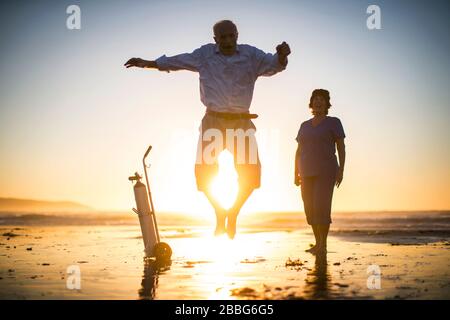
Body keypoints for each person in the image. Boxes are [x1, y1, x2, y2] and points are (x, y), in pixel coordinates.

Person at [125, 20, 291, 239]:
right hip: (213, 121)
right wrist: (146, 63)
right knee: (204, 176)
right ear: (215, 39)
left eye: (231, 36)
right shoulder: (205, 55)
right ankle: (219, 212)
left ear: (237, 35)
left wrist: (282, 55)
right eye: (223, 37)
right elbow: (177, 62)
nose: (228, 41)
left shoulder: (251, 55)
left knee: (251, 177)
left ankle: (233, 213)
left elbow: (275, 65)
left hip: (241, 121)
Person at [294, 89, 346, 254]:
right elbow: (298, 151)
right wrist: (295, 172)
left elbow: (341, 148)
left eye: (322, 99)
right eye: (315, 99)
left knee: (321, 208)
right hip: (306, 172)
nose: (318, 102)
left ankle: (322, 244)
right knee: (309, 209)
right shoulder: (304, 125)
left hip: (326, 171)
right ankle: (318, 243)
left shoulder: (334, 122)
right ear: (311, 102)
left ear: (327, 103)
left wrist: (341, 170)